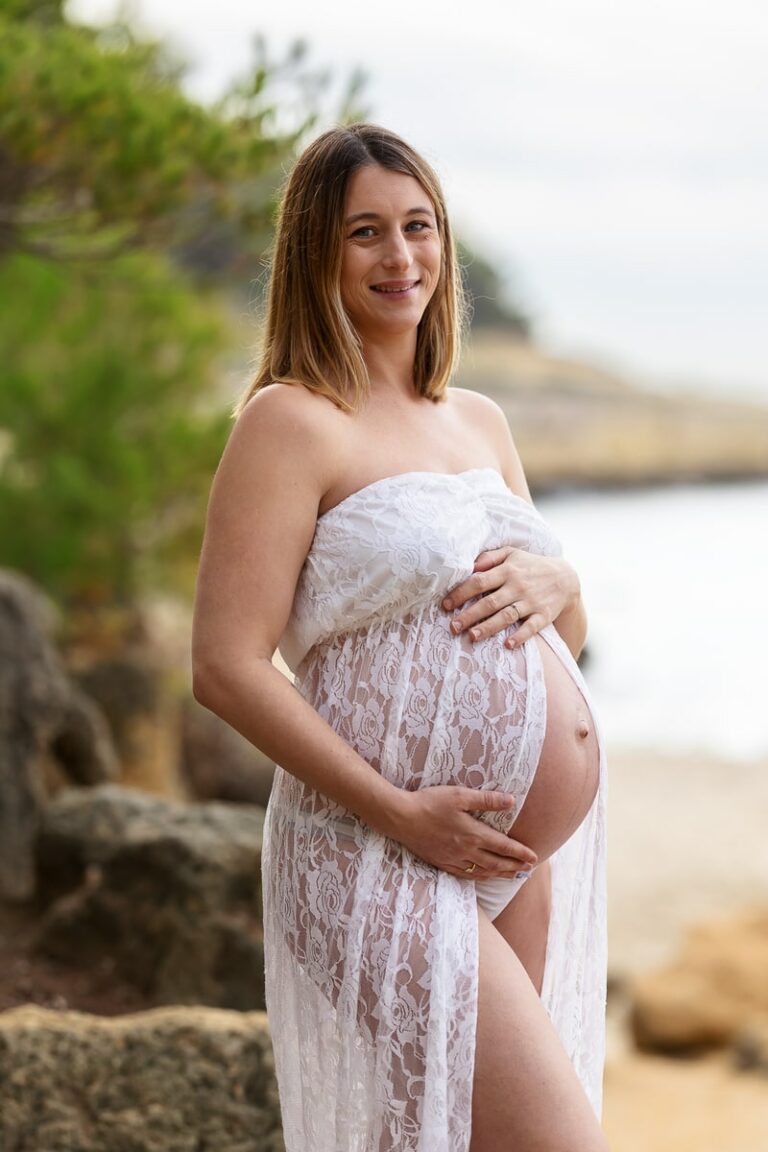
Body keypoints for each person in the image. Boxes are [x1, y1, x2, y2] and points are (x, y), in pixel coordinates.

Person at [192, 123, 609, 1152]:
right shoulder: (292, 420)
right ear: (316, 253)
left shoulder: (478, 419)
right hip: (374, 847)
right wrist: (401, 813)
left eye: (418, 226)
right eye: (365, 232)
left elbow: (566, 634)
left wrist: (563, 580)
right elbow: (226, 666)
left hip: (511, 855)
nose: (400, 256)